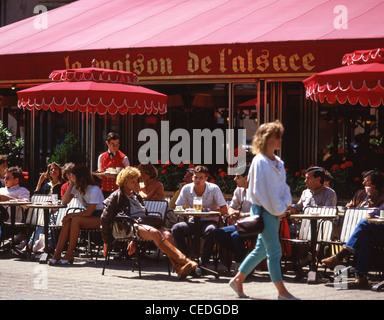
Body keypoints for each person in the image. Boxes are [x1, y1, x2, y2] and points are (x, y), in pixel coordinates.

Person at [229, 120, 298, 300]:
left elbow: (284, 187)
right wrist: (281, 209)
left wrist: (284, 205)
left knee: (261, 249)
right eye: (277, 136)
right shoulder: (260, 161)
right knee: (274, 251)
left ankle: (238, 279)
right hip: (263, 210)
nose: (281, 140)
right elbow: (262, 191)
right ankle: (282, 292)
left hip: (273, 211)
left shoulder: (278, 162)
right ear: (268, 139)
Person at [100, 166, 197, 279]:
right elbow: (105, 219)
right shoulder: (116, 196)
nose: (137, 183)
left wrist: (134, 241)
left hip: (142, 224)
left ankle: (179, 268)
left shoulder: (136, 195)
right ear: (124, 182)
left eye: (137, 180)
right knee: (155, 233)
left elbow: (143, 215)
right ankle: (184, 260)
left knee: (167, 235)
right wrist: (106, 242)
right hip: (129, 226)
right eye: (133, 181)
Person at [321, 170, 384, 289]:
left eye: (367, 182)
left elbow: (380, 210)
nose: (364, 184)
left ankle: (341, 255)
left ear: (374, 184)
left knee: (364, 223)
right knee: (365, 237)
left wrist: (369, 215)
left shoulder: (381, 195)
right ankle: (360, 278)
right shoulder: (360, 193)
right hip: (368, 230)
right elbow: (379, 210)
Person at [171, 165, 228, 266]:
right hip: (193, 221)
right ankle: (186, 260)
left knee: (212, 231)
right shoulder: (186, 189)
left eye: (201, 178)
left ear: (206, 178)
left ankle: (203, 263)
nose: (198, 180)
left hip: (209, 221)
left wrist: (206, 213)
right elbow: (178, 207)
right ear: (192, 178)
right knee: (176, 228)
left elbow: (224, 210)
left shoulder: (214, 189)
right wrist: (187, 210)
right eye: (195, 177)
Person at [48, 164, 104, 265]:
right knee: (68, 220)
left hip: (99, 217)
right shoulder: (77, 188)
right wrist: (70, 185)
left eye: (73, 175)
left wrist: (71, 215)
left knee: (74, 219)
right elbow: (64, 202)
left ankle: (69, 253)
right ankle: (57, 254)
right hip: (88, 217)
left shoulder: (94, 189)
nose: (70, 177)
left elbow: (89, 212)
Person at [213, 165, 255, 271]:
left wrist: (241, 215)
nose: (234, 179)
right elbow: (231, 206)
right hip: (241, 224)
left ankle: (240, 264)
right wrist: (232, 212)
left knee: (236, 236)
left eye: (237, 177)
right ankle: (244, 257)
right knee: (218, 234)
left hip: (257, 225)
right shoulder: (238, 190)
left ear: (246, 177)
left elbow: (261, 212)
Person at [0, 167, 30, 242]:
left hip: (10, 220)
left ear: (16, 180)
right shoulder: (1, 189)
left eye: (7, 178)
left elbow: (26, 205)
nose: (5, 180)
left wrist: (9, 199)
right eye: (4, 177)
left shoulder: (22, 190)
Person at [98, 132, 130, 198]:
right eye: (113, 144)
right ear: (107, 143)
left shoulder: (124, 158)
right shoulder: (101, 157)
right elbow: (99, 173)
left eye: (117, 144)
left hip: (119, 191)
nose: (115, 147)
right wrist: (104, 175)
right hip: (105, 191)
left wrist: (116, 176)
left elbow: (128, 175)